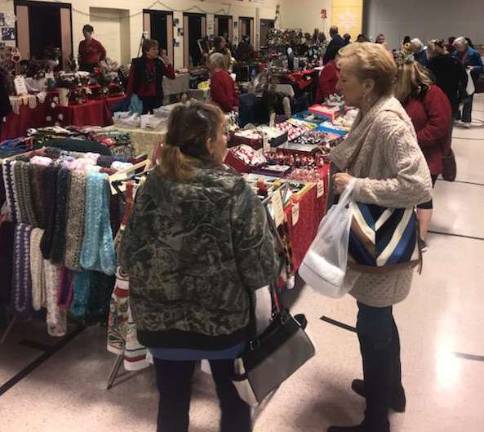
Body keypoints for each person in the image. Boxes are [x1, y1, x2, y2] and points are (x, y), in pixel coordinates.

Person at [119, 101, 279, 432]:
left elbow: (127, 255)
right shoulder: (233, 189)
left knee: (172, 404)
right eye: (223, 134)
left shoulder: (152, 187)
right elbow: (260, 268)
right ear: (208, 142)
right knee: (234, 403)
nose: (227, 140)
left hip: (161, 325)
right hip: (224, 327)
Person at [328, 42, 432, 432]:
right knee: (379, 319)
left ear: (368, 84)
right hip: (378, 239)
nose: (338, 84)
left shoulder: (387, 122)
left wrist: (357, 185)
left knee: (372, 325)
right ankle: (390, 390)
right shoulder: (372, 111)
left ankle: (375, 421)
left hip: (381, 243)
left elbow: (417, 184)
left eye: (345, 78)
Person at [395, 56, 452, 245]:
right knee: (410, 194)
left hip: (429, 156)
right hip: (410, 155)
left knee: (423, 196)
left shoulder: (433, 94)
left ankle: (421, 238)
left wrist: (413, 140)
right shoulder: (408, 95)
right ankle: (407, 230)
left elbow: (440, 125)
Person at [126, 39, 176, 114]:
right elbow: (131, 81)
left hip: (157, 97)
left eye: (157, 49)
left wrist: (168, 64)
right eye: (154, 49)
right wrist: (129, 98)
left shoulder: (159, 63)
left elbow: (172, 76)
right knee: (143, 119)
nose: (157, 51)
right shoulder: (137, 63)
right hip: (142, 98)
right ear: (146, 51)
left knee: (157, 119)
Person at [427, 39, 468, 119]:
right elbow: (464, 79)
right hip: (452, 99)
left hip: (435, 99)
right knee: (449, 124)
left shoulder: (430, 64)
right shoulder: (455, 61)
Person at [452, 36, 483, 127]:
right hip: (458, 79)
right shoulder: (455, 53)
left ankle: (466, 120)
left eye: (458, 46)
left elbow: (481, 67)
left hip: (470, 80)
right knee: (457, 98)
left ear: (465, 45)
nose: (457, 48)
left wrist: (474, 68)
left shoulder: (474, 53)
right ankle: (456, 117)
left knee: (468, 99)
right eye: (456, 47)